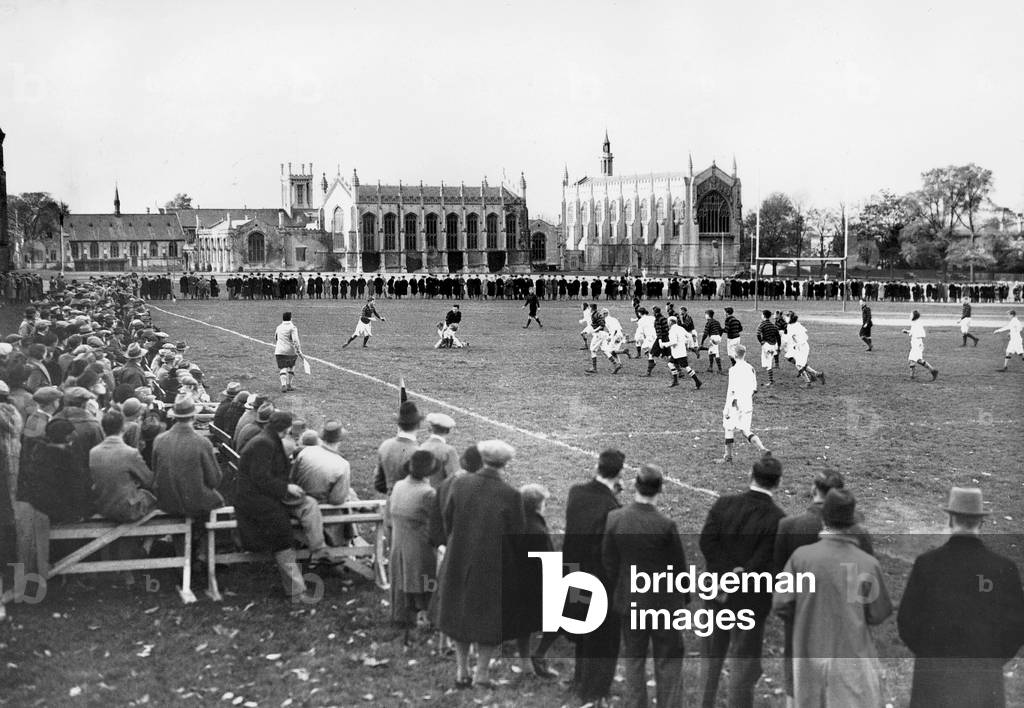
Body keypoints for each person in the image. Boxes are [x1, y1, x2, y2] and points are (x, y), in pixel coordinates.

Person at [897, 487, 1024, 708]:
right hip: (983, 680)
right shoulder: (1004, 568)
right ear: (981, 522)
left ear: (950, 519)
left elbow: (906, 622)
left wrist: (929, 654)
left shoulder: (926, 565)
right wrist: (992, 660)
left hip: (933, 681)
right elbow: (1016, 628)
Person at [773, 489, 892, 708]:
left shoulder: (801, 558)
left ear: (824, 520)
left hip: (808, 653)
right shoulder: (867, 564)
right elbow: (879, 613)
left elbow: (781, 603)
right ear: (851, 524)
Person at [436, 439, 525, 689]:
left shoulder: (461, 483)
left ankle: (461, 670)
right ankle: (481, 673)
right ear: (506, 463)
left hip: (460, 555)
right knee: (489, 617)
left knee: (459, 612)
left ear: (483, 458)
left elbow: (447, 518)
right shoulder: (511, 494)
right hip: (493, 563)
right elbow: (518, 535)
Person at [699, 456, 785, 708]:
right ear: (778, 483)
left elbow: (707, 542)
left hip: (717, 593)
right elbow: (764, 560)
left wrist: (726, 573)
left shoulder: (724, 504)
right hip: (751, 600)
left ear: (751, 475)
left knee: (711, 658)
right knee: (742, 662)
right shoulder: (778, 519)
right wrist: (740, 574)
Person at [602, 463, 688, 708]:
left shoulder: (615, 519)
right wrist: (683, 600)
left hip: (631, 602)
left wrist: (622, 587)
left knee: (634, 659)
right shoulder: (666, 525)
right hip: (663, 606)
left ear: (634, 485)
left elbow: (609, 561)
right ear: (660, 490)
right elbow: (679, 568)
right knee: (668, 660)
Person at [235, 410, 325, 601]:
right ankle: (297, 590)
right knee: (283, 535)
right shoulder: (264, 443)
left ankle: (319, 550)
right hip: (255, 500)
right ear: (284, 428)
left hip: (263, 495)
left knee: (307, 504)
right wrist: (287, 487)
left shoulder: (267, 439)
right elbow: (260, 478)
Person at [562, 449, 625, 705]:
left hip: (574, 570)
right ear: (620, 473)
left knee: (581, 632)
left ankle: (579, 680)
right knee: (602, 637)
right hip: (599, 576)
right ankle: (595, 690)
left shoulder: (577, 492)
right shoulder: (613, 508)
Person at [388, 450, 438, 638]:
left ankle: (402, 614)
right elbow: (438, 520)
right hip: (419, 544)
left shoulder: (400, 485)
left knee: (404, 576)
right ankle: (425, 614)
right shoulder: (427, 493)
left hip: (399, 543)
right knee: (426, 578)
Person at [513, 484, 559, 680]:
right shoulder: (538, 530)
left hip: (516, 583)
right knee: (566, 613)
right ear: (538, 505)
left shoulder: (516, 523)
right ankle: (540, 654)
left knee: (523, 623)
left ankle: (525, 661)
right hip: (535, 585)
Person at [152, 398, 224, 518]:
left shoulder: (159, 440)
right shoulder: (202, 442)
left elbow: (155, 472)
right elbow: (214, 480)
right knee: (217, 500)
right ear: (193, 417)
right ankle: (201, 533)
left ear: (174, 417)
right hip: (194, 502)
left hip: (166, 501)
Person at [89, 409, 157, 522]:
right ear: (123, 428)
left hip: (102, 507)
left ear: (103, 428)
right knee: (150, 496)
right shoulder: (130, 453)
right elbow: (149, 480)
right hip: (126, 510)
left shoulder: (93, 452)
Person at [718, 344, 770, 464]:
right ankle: (762, 448)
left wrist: (726, 409)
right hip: (747, 402)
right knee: (746, 429)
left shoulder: (733, 370)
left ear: (735, 354)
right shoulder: (751, 368)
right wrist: (747, 399)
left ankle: (728, 456)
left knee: (729, 428)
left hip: (735, 403)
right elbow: (754, 388)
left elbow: (731, 390)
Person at [373, 400, 422, 494]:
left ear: (399, 423)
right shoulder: (417, 452)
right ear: (418, 425)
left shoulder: (385, 445)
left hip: (391, 504)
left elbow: (378, 483)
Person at [661, 315, 702, 389]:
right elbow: (689, 336)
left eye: (668, 322)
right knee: (670, 364)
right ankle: (675, 381)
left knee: (686, 367)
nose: (667, 323)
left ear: (670, 322)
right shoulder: (681, 328)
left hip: (678, 353)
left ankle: (697, 382)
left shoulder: (672, 330)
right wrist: (690, 346)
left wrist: (664, 344)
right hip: (679, 352)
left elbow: (674, 342)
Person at [418, 413, 458, 488]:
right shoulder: (448, 450)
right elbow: (454, 479)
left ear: (430, 429)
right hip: (440, 496)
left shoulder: (421, 447)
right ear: (448, 431)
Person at [786, 312, 825, 387]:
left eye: (787, 317)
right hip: (799, 346)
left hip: (801, 347)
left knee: (799, 365)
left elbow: (790, 338)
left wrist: (796, 344)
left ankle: (808, 382)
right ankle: (816, 374)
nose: (786, 318)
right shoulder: (795, 324)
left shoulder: (791, 327)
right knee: (789, 357)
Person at [902, 310, 938, 381]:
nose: (910, 316)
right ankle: (913, 376)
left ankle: (932, 371)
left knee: (915, 360)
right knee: (914, 360)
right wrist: (907, 331)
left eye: (911, 315)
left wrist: (912, 334)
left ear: (914, 316)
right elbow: (914, 332)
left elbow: (922, 334)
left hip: (917, 344)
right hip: (916, 344)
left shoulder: (917, 324)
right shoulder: (915, 323)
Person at [273, 312, 303, 393]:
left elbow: (275, 337)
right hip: (291, 351)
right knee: (291, 366)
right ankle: (289, 384)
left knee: (283, 367)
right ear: (290, 318)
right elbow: (295, 340)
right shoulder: (293, 327)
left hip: (279, 350)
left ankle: (283, 385)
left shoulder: (278, 327)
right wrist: (299, 351)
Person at [755, 310, 781, 386]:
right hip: (773, 345)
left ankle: (771, 381)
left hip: (766, 345)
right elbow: (778, 337)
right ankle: (770, 377)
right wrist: (778, 346)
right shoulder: (773, 325)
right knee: (767, 362)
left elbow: (758, 334)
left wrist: (761, 342)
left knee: (768, 363)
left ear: (763, 315)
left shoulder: (762, 324)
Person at [699, 310, 724, 375]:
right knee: (710, 351)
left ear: (708, 315)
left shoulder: (708, 322)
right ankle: (710, 367)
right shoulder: (717, 322)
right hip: (718, 337)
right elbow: (721, 330)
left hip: (713, 338)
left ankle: (720, 370)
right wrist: (719, 337)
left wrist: (702, 342)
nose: (705, 316)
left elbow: (705, 333)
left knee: (716, 353)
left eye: (705, 314)